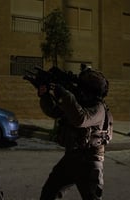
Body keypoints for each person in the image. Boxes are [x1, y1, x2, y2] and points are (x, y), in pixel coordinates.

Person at [38, 65, 112, 200]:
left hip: (89, 162)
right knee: (49, 193)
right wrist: (45, 96)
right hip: (71, 158)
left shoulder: (99, 108)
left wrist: (65, 94)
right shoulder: (78, 102)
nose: (78, 90)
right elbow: (55, 112)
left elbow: (81, 119)